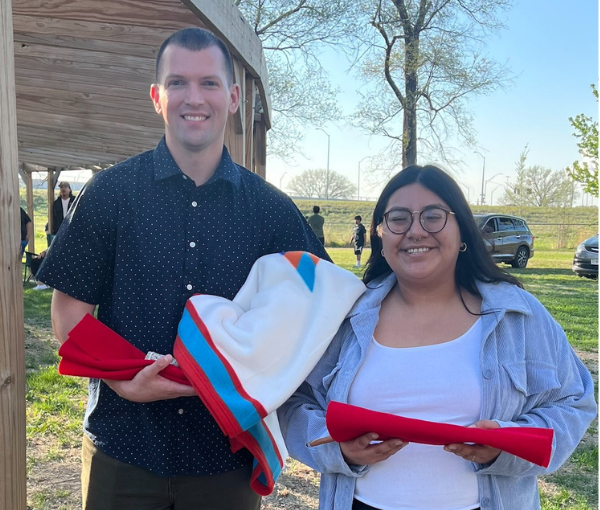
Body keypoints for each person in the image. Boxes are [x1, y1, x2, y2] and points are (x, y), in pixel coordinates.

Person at [37, 27, 329, 510]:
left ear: (233, 97)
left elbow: (315, 309)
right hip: (122, 450)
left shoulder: (274, 212)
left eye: (209, 83)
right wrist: (124, 382)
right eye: (178, 83)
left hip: (226, 459)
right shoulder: (108, 194)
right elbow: (68, 315)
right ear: (157, 97)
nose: (194, 98)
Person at [279, 164, 596, 510]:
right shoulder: (343, 314)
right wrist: (336, 450)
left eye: (433, 216)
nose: (416, 231)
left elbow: (573, 402)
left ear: (462, 232)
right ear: (381, 237)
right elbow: (293, 402)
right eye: (398, 218)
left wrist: (505, 447)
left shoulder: (518, 315)